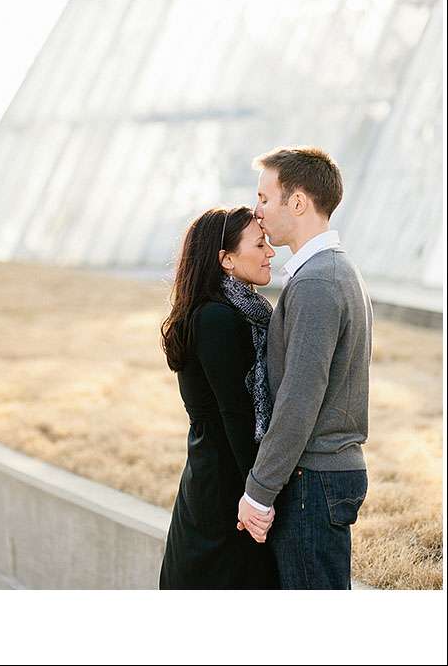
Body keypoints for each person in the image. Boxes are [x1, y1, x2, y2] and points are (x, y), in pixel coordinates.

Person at [237, 147, 371, 589]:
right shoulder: (330, 270)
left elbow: (299, 398)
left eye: (265, 198)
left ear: (297, 203)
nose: (257, 211)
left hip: (313, 480)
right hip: (322, 475)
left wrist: (259, 492)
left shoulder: (318, 280)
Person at [159, 206, 279, 589]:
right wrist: (261, 492)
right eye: (260, 244)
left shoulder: (236, 311)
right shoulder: (216, 318)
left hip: (215, 475)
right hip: (224, 491)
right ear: (226, 259)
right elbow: (236, 415)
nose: (270, 253)